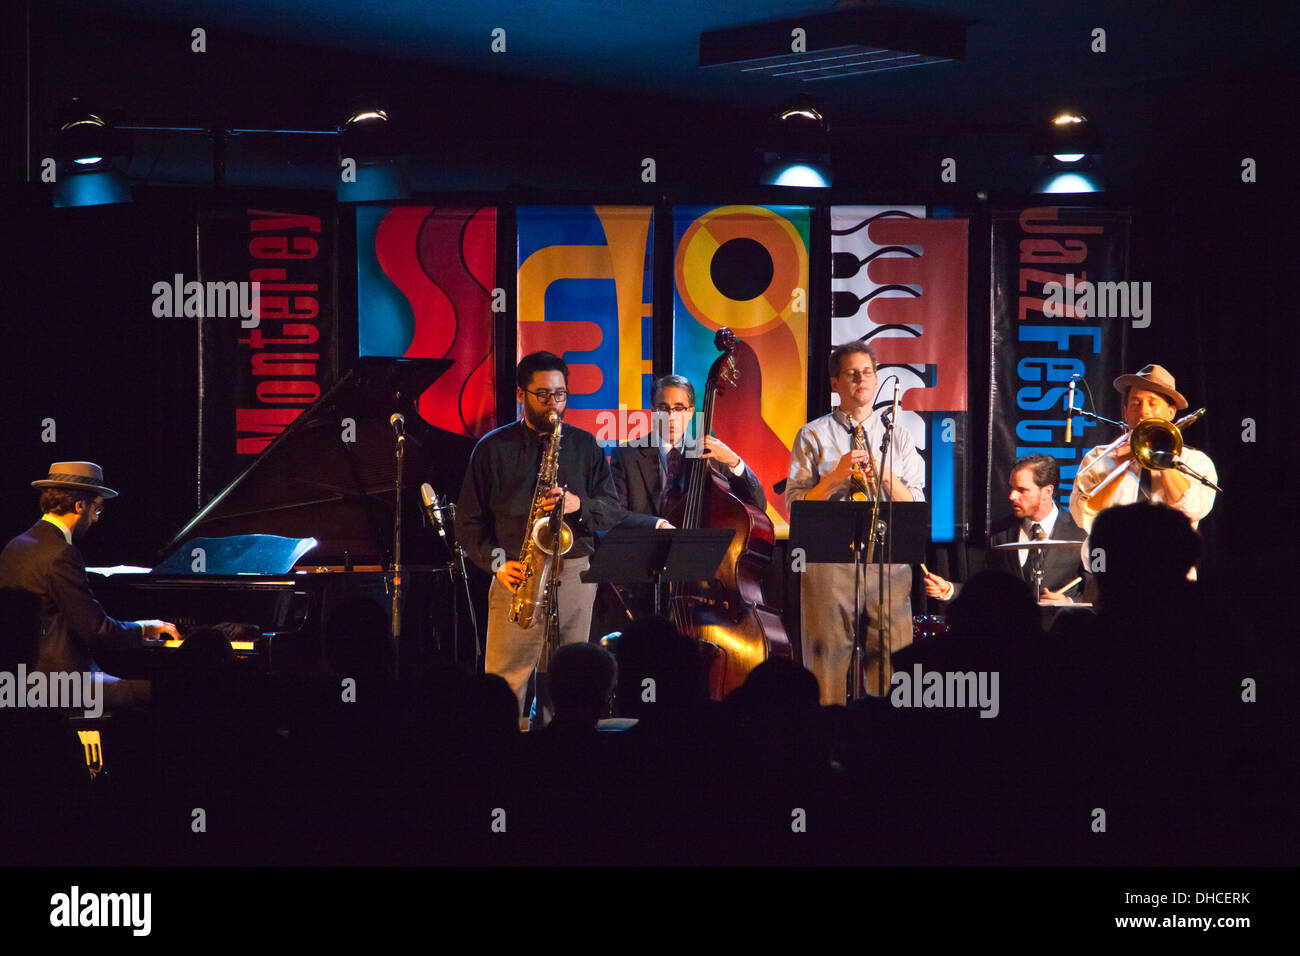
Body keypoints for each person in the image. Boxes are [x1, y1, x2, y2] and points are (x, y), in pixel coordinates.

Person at [455, 351, 630, 723]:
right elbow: (468, 523)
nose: (554, 404)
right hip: (517, 572)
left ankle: (565, 756)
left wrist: (578, 505)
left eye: (561, 395)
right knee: (507, 678)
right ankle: (505, 759)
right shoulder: (491, 448)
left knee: (573, 682)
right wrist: (496, 564)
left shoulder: (585, 445)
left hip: (574, 570)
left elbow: (613, 509)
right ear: (521, 394)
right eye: (544, 395)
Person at [786, 342, 925, 704]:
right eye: (851, 373)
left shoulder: (900, 435)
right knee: (827, 654)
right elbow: (795, 506)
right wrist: (833, 479)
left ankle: (888, 743)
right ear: (835, 383)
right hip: (829, 559)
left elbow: (915, 502)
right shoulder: (812, 434)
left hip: (888, 557)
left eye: (867, 372)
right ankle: (826, 744)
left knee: (892, 653)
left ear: (877, 379)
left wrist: (883, 476)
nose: (861, 379)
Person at [0, 462, 181, 710]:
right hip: (63, 682)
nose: (96, 519)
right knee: (169, 691)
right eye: (97, 509)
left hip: (19, 680)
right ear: (79, 505)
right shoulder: (61, 553)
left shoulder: (16, 545)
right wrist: (146, 628)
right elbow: (97, 631)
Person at [1069, 363, 1216, 575]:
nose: (1144, 411)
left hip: (1172, 578)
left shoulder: (1195, 461)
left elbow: (1194, 509)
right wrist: (1116, 467)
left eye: (1152, 403)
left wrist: (1164, 460)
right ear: (1125, 412)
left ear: (1171, 412)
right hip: (1111, 576)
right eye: (1136, 404)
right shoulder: (1097, 457)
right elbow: (1082, 517)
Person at [923, 454, 1086, 605]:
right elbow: (988, 588)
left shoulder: (1080, 531)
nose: (1012, 496)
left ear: (1047, 491)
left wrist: (1070, 603)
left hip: (1059, 632)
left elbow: (1099, 591)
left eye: (1022, 490)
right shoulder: (1000, 532)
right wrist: (949, 589)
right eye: (1011, 488)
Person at [610, 373, 767, 525]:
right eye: (663, 408)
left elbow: (758, 504)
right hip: (645, 548)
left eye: (679, 409)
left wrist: (734, 461)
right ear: (653, 411)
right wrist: (657, 524)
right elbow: (614, 513)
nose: (671, 417)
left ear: (691, 412)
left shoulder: (711, 455)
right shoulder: (625, 455)